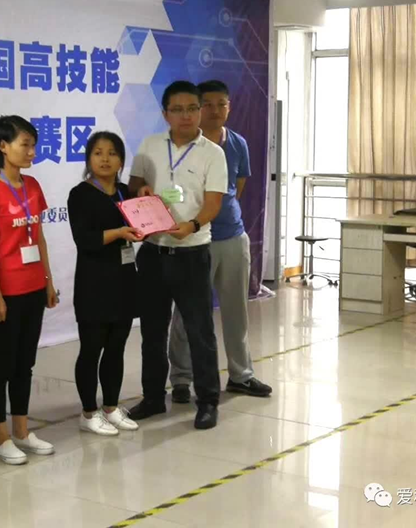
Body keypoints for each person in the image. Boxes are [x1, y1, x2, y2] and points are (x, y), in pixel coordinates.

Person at [127, 80, 227, 430]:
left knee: (200, 332)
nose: (186, 116)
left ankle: (208, 401)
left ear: (200, 110)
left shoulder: (212, 153)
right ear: (165, 113)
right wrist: (140, 190)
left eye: (192, 109)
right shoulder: (150, 145)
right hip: (153, 252)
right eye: (177, 110)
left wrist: (193, 224)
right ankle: (153, 397)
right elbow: (133, 185)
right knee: (152, 331)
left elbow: (213, 202)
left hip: (192, 253)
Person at [168, 80, 272, 403]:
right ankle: (181, 379)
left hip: (232, 238)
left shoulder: (238, 144)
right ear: (198, 108)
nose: (215, 111)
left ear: (229, 107)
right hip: (195, 240)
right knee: (186, 313)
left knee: (236, 311)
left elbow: (236, 188)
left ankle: (241, 375)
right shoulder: (184, 146)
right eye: (208, 105)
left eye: (221, 104)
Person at [0, 116, 59, 465]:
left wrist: (48, 281)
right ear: (3, 146)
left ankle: (22, 431)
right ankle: (0, 437)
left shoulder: (33, 186)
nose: (31, 151)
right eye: (25, 144)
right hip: (6, 291)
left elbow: (38, 237)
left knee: (25, 363)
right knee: (2, 365)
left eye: (33, 145)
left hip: (33, 287)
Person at [67, 132, 142, 436]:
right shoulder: (80, 194)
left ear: (121, 160)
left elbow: (142, 224)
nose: (105, 159)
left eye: (112, 153)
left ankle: (110, 407)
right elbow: (84, 239)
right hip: (93, 283)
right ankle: (88, 412)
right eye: (98, 153)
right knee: (91, 349)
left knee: (116, 348)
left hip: (124, 280)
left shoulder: (125, 192)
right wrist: (119, 233)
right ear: (89, 159)